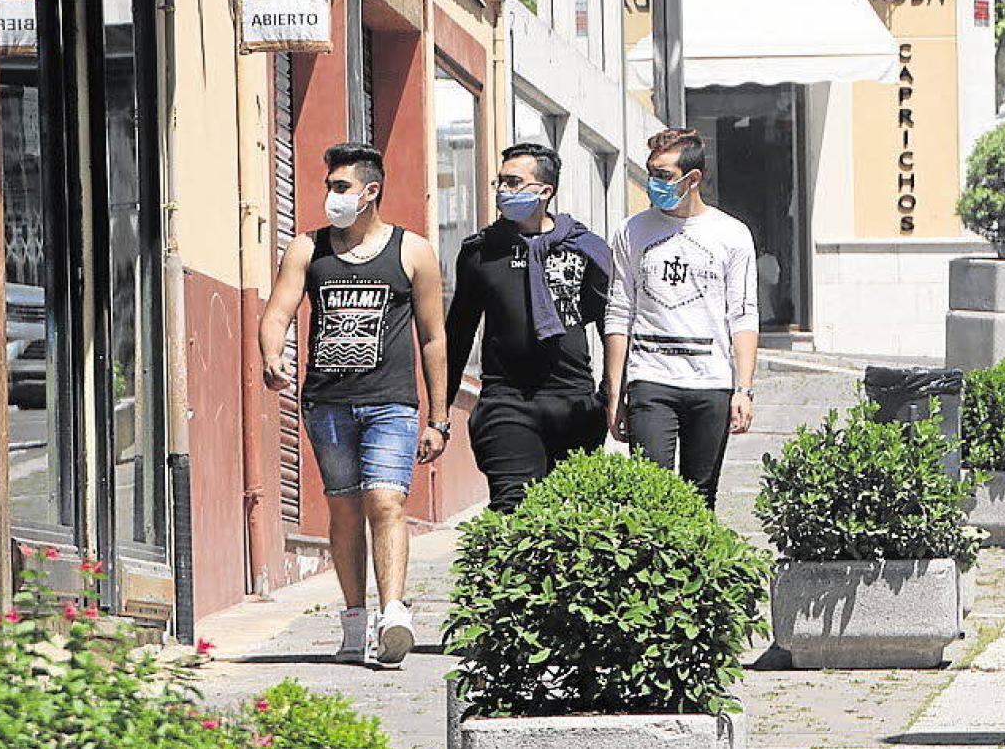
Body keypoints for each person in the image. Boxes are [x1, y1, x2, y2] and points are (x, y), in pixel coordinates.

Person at [259, 142, 450, 667]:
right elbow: (276, 312)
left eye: (341, 187)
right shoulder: (307, 249)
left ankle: (393, 614)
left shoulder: (412, 252)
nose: (331, 196)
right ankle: (353, 622)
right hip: (327, 403)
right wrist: (272, 355)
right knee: (343, 511)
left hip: (391, 402)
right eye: (329, 186)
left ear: (372, 191)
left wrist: (438, 416)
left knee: (386, 502)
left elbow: (434, 338)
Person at [445, 143, 612, 513]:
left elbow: (610, 324)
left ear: (545, 191)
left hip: (574, 402)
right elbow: (458, 333)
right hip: (507, 401)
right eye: (500, 182)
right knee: (514, 509)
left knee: (571, 517)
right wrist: (439, 413)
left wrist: (609, 396)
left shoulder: (586, 249)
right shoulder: (480, 252)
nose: (504, 191)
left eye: (515, 182)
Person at [603, 128, 759, 510]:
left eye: (664, 175)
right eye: (651, 172)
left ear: (693, 179)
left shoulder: (731, 235)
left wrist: (744, 388)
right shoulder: (632, 230)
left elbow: (742, 314)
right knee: (650, 497)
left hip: (711, 382)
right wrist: (614, 392)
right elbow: (619, 311)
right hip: (651, 379)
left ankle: (698, 570)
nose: (654, 183)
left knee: (700, 495)